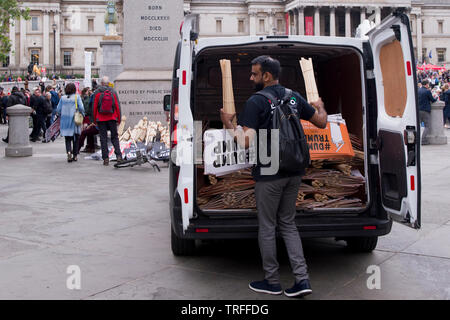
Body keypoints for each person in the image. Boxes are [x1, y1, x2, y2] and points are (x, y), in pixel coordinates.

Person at [219, 56, 327, 298]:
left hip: (269, 170)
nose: (251, 78)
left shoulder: (256, 102)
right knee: (288, 223)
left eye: (254, 74)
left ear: (266, 76)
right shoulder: (294, 96)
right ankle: (302, 279)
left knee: (267, 226)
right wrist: (320, 105)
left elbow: (246, 141)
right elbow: (321, 122)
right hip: (295, 168)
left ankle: (272, 281)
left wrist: (228, 125)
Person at [92, 76, 123, 166]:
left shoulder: (97, 92)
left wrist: (95, 119)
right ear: (108, 83)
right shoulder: (113, 92)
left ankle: (105, 158)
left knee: (103, 138)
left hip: (101, 119)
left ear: (101, 83)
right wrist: (119, 118)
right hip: (112, 118)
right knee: (114, 137)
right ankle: (118, 156)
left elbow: (94, 107)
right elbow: (117, 105)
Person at [56, 83, 85, 162]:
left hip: (65, 121)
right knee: (76, 138)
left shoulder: (63, 98)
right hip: (74, 120)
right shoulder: (76, 97)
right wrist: (82, 114)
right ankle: (75, 155)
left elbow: (58, 109)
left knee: (67, 139)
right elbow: (81, 107)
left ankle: (68, 152)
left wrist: (60, 114)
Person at [418, 80, 437, 145]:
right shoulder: (427, 91)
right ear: (426, 84)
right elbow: (433, 100)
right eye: (428, 84)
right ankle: (423, 140)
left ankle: (417, 140)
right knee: (427, 126)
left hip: (418, 110)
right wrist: (436, 98)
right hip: (425, 110)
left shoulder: (418, 90)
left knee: (418, 126)